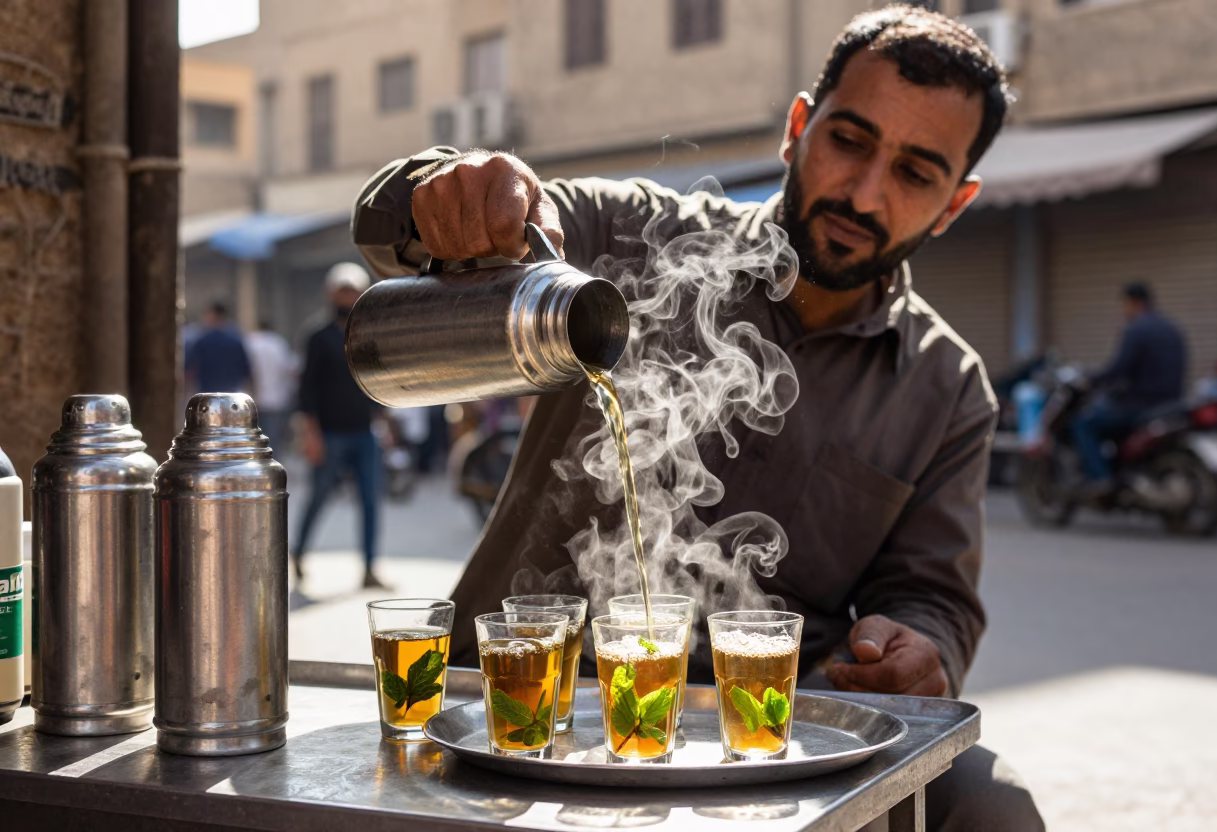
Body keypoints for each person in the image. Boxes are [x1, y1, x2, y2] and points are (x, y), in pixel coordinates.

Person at [353, 6, 1042, 830]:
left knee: (990, 807)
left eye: (915, 173)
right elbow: (408, 224)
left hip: (770, 735)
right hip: (526, 703)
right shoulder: (623, 240)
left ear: (953, 205)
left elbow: (934, 597)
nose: (865, 193)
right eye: (850, 141)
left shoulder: (947, 388)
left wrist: (916, 648)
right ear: (798, 128)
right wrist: (462, 189)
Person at [291, 263, 388, 590]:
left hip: (364, 432)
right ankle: (299, 552)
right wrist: (311, 434)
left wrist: (385, 424)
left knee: (371, 501)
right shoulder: (318, 337)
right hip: (330, 434)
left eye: (353, 291)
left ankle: (370, 567)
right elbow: (307, 392)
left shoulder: (369, 334)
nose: (347, 297)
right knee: (318, 496)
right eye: (342, 291)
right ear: (331, 294)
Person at [1072, 282, 1187, 491]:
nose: (1123, 310)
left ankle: (1100, 479)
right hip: (1171, 404)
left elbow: (1119, 369)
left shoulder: (1137, 329)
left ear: (1134, 303)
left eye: (1124, 304)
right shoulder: (1172, 328)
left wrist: (1092, 380)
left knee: (1084, 424)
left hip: (1140, 405)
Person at [245, 321, 300, 458]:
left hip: (252, 399)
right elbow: (290, 369)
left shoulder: (250, 342)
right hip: (276, 399)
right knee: (273, 439)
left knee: (252, 438)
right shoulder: (278, 343)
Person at [184, 301, 252, 394]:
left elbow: (191, 370)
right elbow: (247, 371)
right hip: (232, 395)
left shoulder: (202, 341)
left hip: (207, 395)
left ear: (212, 315)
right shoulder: (236, 342)